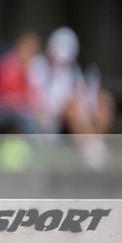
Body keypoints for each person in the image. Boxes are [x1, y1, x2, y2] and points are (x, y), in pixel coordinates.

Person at [29, 27, 114, 170]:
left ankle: (95, 143)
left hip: (75, 109)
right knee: (74, 107)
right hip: (49, 112)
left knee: (105, 101)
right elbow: (34, 96)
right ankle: (90, 149)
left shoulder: (72, 70)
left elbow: (81, 92)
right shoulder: (38, 65)